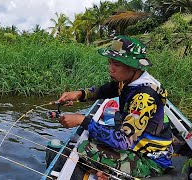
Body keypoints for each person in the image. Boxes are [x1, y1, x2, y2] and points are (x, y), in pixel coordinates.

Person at [57, 36, 173, 179]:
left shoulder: (144, 96)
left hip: (151, 160)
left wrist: (82, 120)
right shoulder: (129, 80)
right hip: (136, 145)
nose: (110, 69)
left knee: (84, 148)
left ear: (133, 66)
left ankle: (111, 173)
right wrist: (79, 94)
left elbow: (123, 141)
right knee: (93, 136)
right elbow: (106, 90)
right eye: (110, 62)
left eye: (116, 64)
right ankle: (107, 172)